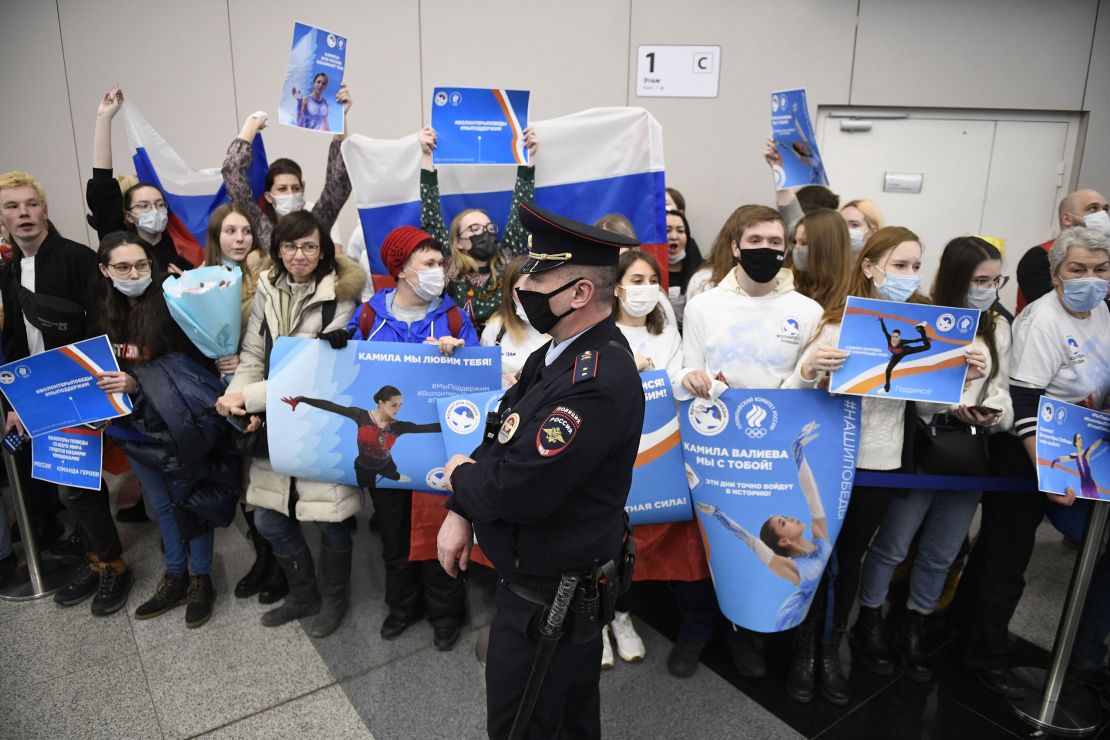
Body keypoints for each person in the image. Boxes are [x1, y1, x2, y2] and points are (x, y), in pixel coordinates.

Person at [436, 201, 643, 739]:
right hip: (535, 587)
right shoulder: (554, 354)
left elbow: (516, 489)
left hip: (548, 602)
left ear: (579, 293)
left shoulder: (596, 379)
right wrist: (461, 509)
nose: (524, 282)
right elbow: (500, 432)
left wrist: (459, 477)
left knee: (524, 728)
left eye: (539, 272)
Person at [788, 226, 984, 704]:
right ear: (869, 266)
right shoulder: (836, 323)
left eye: (916, 266)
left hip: (882, 459)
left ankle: (832, 647)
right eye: (899, 265)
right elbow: (793, 392)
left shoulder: (925, 326)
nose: (909, 275)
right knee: (817, 554)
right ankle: (802, 651)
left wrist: (963, 378)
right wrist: (812, 367)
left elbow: (931, 407)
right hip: (832, 458)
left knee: (851, 555)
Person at [953, 226, 1109, 698]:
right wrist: (1050, 468)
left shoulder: (1102, 310)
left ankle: (965, 630)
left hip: (1080, 444)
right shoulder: (1042, 320)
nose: (1091, 279)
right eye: (1077, 269)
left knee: (998, 555)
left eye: (1101, 270)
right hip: (1030, 451)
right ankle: (984, 658)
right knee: (1007, 557)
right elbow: (1023, 405)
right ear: (1057, 275)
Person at [674, 204, 823, 682]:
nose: (766, 251)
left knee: (752, 541)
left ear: (787, 248)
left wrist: (806, 375)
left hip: (774, 453)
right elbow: (683, 371)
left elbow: (812, 387)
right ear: (735, 246)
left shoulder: (807, 311)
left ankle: (742, 632)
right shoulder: (703, 307)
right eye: (754, 242)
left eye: (775, 243)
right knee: (704, 540)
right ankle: (695, 630)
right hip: (715, 445)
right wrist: (691, 377)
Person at [855, 236, 1012, 683]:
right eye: (979, 279)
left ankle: (915, 626)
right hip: (925, 445)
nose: (988, 288)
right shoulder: (925, 316)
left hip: (972, 451)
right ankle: (869, 622)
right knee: (894, 543)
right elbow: (912, 393)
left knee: (943, 550)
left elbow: (1001, 388)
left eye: (996, 279)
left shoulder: (998, 325)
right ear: (957, 278)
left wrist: (992, 408)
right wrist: (949, 402)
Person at [216, 210, 366, 638]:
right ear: (278, 250)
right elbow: (252, 354)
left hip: (321, 420)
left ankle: (335, 599)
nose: (299, 255)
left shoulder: (341, 294)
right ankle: (304, 593)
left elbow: (313, 374)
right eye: (289, 246)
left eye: (308, 246)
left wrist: (251, 396)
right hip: (276, 421)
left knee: (332, 516)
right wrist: (237, 397)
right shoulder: (267, 287)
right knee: (269, 519)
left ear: (323, 251)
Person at [0, 170, 131, 614]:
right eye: (12, 207)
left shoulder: (77, 258)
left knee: (78, 487)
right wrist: (16, 404)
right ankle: (97, 559)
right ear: (2, 219)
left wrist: (99, 390)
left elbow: (102, 324)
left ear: (45, 210)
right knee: (67, 481)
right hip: (40, 393)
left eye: (30, 204)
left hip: (80, 386)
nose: (23, 214)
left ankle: (111, 564)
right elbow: (16, 343)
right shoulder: (9, 272)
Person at [95, 231, 239, 628]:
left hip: (179, 424)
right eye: (122, 266)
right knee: (160, 504)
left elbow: (193, 365)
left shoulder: (174, 301)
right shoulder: (102, 310)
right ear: (105, 271)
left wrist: (138, 381)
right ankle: (174, 575)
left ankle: (201, 580)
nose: (134, 272)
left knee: (192, 499)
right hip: (133, 426)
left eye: (142, 265)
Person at [347, 225, 477, 650]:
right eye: (430, 264)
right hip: (386, 453)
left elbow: (479, 378)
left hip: (438, 450)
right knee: (393, 534)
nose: (439, 270)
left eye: (440, 263)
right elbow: (347, 367)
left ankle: (446, 615)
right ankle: (402, 608)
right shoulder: (369, 315)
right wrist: (335, 344)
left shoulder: (454, 315)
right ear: (401, 269)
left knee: (441, 532)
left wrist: (460, 355)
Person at [199, 204, 289, 606]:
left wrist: (244, 360)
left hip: (261, 391)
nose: (239, 238)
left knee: (261, 481)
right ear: (216, 236)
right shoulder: (199, 281)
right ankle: (261, 554)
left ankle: (277, 562)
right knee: (239, 484)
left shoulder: (270, 276)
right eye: (230, 231)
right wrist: (215, 356)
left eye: (246, 231)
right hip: (218, 393)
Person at [696, 422, 830, 630]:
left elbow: (811, 495)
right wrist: (717, 513)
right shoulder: (790, 568)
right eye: (784, 522)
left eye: (784, 517)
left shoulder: (820, 538)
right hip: (791, 615)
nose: (791, 518)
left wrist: (798, 454)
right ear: (784, 540)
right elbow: (750, 540)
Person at [417, 125, 539, 333]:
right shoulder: (449, 267)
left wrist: (528, 157)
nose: (484, 232)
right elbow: (431, 217)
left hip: (506, 348)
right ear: (457, 242)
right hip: (461, 349)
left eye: (488, 227)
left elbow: (521, 212)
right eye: (474, 229)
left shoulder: (506, 260)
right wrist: (426, 157)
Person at [222, 97, 353, 254]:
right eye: (282, 189)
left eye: (295, 188)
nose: (290, 194)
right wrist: (251, 124)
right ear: (269, 197)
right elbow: (232, 173)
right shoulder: (263, 228)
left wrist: (339, 120)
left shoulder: (317, 223)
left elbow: (340, 181)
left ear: (303, 189)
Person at [87, 86, 194, 274]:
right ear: (128, 215)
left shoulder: (182, 248)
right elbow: (102, 186)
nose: (155, 211)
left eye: (160, 204)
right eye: (144, 206)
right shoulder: (122, 243)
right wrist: (104, 119)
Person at [281, 387, 441, 488]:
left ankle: (395, 476)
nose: (398, 409)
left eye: (400, 405)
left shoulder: (400, 426)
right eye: (394, 405)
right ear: (381, 403)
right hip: (363, 466)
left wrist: (456, 424)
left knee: (395, 477)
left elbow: (427, 427)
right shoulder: (361, 415)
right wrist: (301, 399)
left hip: (386, 464)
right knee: (366, 486)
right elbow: (331, 406)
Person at [1016, 189, 1109, 312]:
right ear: (1067, 219)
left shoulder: (1105, 256)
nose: (1102, 215)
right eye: (1093, 208)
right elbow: (1055, 307)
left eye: (1105, 209)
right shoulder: (1038, 257)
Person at [480, 255, 549, 388]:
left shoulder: (559, 325)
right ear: (510, 293)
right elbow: (482, 375)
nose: (529, 297)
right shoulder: (497, 326)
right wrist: (502, 380)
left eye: (536, 289)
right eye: (522, 291)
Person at [790, 208, 853, 310]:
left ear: (827, 248)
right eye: (795, 242)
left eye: (804, 243)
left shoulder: (852, 297)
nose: (796, 249)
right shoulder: (792, 282)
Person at [663, 209, 702, 322]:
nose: (674, 236)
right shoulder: (649, 272)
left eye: (680, 231)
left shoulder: (701, 273)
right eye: (667, 230)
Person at [877, 318, 932, 394]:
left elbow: (914, 341)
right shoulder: (889, 338)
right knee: (888, 370)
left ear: (899, 337)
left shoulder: (902, 342)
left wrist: (926, 339)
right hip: (896, 356)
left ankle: (921, 329)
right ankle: (886, 389)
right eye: (893, 336)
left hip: (906, 351)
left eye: (896, 337)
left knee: (927, 347)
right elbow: (884, 330)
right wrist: (881, 321)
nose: (894, 339)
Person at [1050, 433, 1108, 500]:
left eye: (1081, 438)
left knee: (1095, 498)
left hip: (1091, 484)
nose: (1081, 439)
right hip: (1083, 485)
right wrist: (1054, 461)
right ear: (1076, 443)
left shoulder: (1086, 453)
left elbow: (1095, 445)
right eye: (1079, 438)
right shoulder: (1074, 456)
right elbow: (1064, 458)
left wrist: (1103, 439)